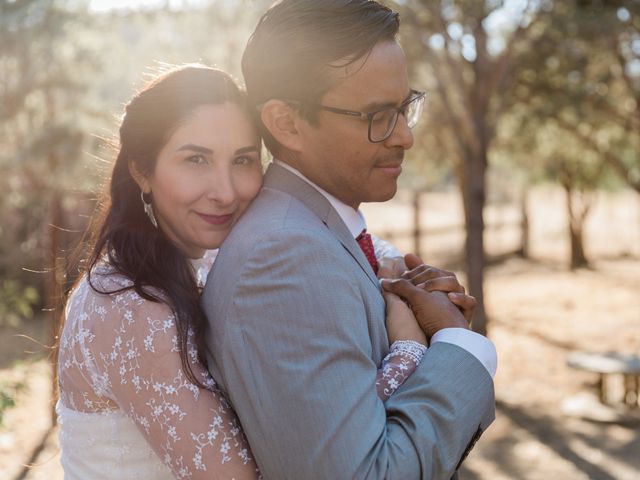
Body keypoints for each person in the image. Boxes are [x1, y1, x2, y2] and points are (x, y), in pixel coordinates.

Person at [56, 65, 471, 479]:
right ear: (141, 171)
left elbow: (352, 246)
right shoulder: (127, 306)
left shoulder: (219, 255)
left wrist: (404, 281)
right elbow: (294, 461)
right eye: (195, 159)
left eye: (243, 160)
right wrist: (409, 350)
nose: (225, 191)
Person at [201, 1, 498, 479]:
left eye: (404, 108)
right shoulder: (285, 257)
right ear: (286, 123)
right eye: (379, 115)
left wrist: (420, 342)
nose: (404, 137)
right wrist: (460, 348)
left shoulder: (323, 232)